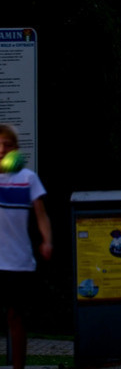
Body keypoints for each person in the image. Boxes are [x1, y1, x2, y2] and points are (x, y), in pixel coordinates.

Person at [0, 124, 52, 369]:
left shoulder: (27, 178)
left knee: (16, 317)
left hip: (19, 263)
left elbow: (41, 215)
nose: (2, 149)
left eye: (7, 145)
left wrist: (47, 240)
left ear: (15, 149)